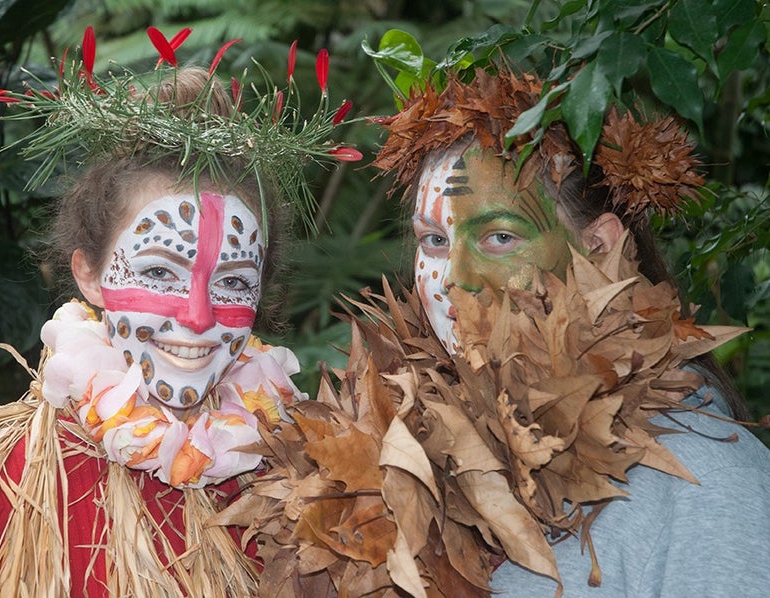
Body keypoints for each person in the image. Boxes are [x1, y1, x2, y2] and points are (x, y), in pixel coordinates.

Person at [215, 69, 770, 597]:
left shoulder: (707, 485)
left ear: (598, 245)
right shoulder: (382, 450)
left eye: (500, 238)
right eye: (434, 241)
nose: (454, 279)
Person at [0, 27, 359, 597]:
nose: (198, 317)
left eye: (231, 282)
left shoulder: (296, 471)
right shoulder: (17, 483)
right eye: (159, 273)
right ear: (90, 276)